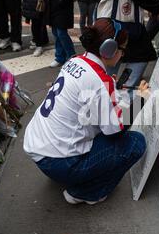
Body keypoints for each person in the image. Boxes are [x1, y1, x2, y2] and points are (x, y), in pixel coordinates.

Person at [24, 18, 148, 205]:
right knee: (136, 143)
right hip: (59, 161)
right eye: (122, 49)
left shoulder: (76, 60)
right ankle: (85, 192)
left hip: (38, 148)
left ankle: (70, 175)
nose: (123, 54)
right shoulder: (100, 81)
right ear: (110, 49)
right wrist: (141, 99)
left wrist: (109, 89)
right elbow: (115, 131)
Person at [101, 0, 159, 100]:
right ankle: (121, 97)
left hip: (110, 18)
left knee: (111, 60)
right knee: (141, 56)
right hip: (126, 22)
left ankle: (107, 96)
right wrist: (155, 7)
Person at [44, 0, 83, 68]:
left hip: (63, 2)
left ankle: (71, 56)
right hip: (51, 1)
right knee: (55, 31)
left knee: (61, 31)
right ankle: (60, 57)